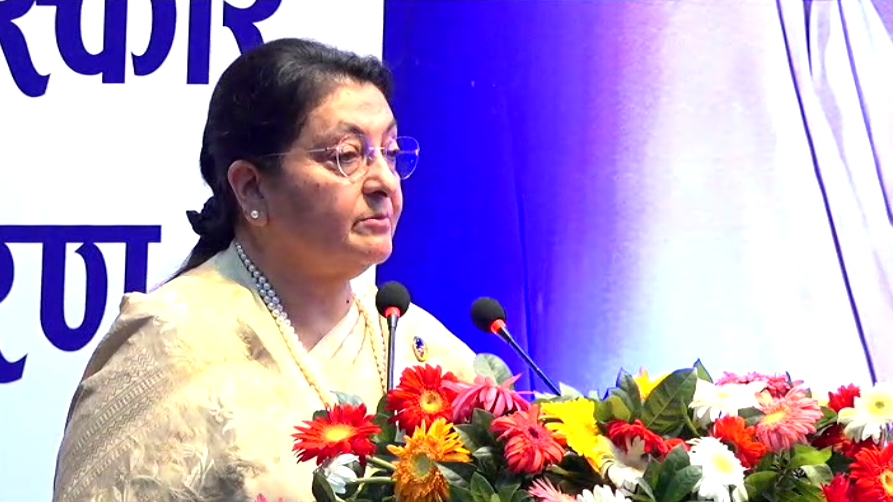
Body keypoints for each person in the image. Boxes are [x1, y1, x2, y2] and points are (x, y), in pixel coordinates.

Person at [52, 38, 477, 502]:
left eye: (390, 152)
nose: (384, 182)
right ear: (251, 188)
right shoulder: (175, 343)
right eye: (348, 155)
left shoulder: (423, 349)